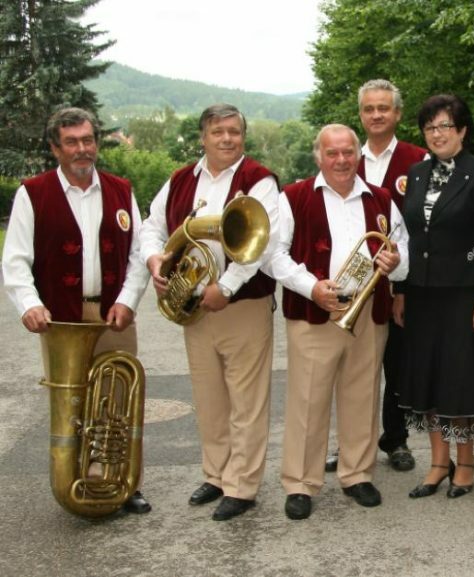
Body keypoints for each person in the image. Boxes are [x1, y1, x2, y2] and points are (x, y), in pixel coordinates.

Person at [2, 107, 151, 514]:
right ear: (55, 148)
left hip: (112, 314)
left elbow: (139, 254)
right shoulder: (32, 193)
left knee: (117, 402)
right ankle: (74, 480)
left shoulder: (122, 189)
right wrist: (29, 305)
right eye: (72, 142)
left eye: (88, 140)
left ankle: (122, 483)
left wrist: (127, 300)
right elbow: (15, 260)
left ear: (96, 143)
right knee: (73, 406)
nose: (82, 149)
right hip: (61, 317)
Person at [140, 104, 279, 522]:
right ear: (203, 136)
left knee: (247, 400)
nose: (226, 139)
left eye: (234, 131)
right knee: (209, 398)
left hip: (243, 304)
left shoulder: (259, 179)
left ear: (243, 135)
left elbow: (264, 242)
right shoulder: (182, 178)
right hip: (194, 305)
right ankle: (216, 475)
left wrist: (228, 286)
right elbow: (151, 225)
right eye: (218, 132)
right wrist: (154, 260)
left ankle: (242, 486)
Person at [267, 124, 407, 521]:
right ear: (319, 156)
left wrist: (397, 263)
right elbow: (274, 255)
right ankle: (300, 483)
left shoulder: (380, 198)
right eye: (333, 153)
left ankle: (357, 474)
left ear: (357, 154)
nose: (342, 160)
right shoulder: (293, 197)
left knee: (362, 397)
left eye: (348, 152)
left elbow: (403, 248)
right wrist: (312, 288)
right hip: (316, 313)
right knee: (308, 401)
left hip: (368, 314)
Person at [397, 94, 474, 499]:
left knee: (460, 383)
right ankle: (438, 462)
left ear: (462, 130)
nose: (437, 134)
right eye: (430, 127)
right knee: (428, 381)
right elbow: (408, 236)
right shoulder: (416, 172)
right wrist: (401, 290)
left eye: (445, 126)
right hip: (422, 295)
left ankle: (466, 461)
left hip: (464, 297)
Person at [324, 79, 427, 474]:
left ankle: (395, 439)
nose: (377, 115)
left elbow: (417, 230)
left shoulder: (418, 160)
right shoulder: (346, 157)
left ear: (398, 114)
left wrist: (402, 288)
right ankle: (348, 442)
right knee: (349, 372)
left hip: (399, 283)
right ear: (361, 115)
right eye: (369, 109)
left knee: (397, 367)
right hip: (350, 288)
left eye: (384, 108)